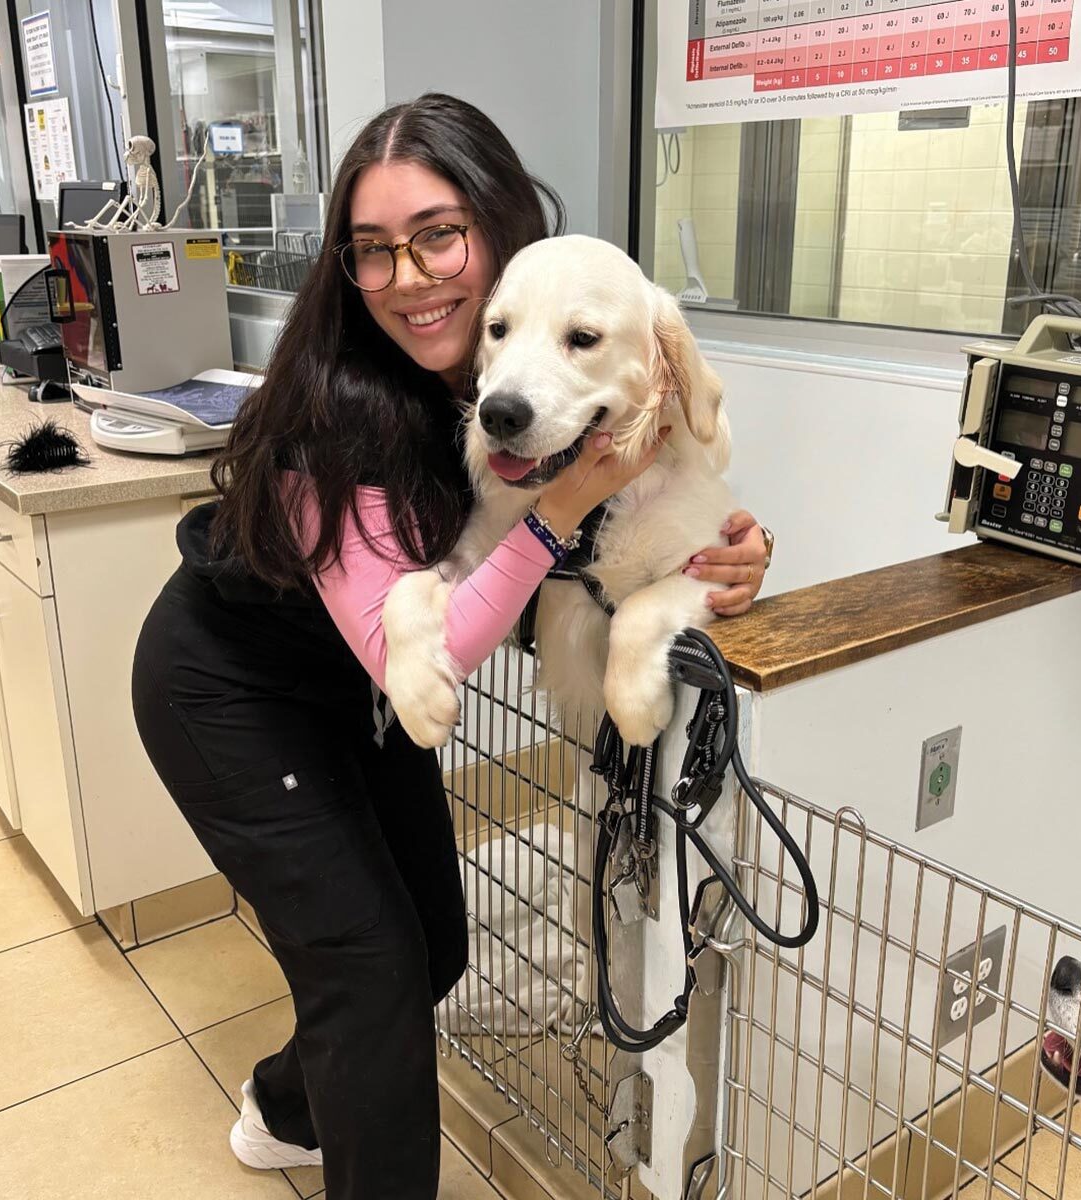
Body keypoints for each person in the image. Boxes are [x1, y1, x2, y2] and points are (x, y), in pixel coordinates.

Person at [130, 92, 773, 1200]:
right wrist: (572, 506)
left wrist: (714, 555)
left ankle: (286, 1109)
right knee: (374, 977)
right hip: (231, 690)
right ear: (349, 267)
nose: (412, 276)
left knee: (433, 943)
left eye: (438, 235)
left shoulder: (502, 371)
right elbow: (445, 625)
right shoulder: (326, 416)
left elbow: (570, 561)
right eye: (375, 252)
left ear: (496, 227)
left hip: (363, 695)